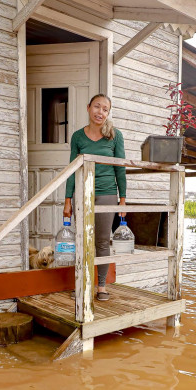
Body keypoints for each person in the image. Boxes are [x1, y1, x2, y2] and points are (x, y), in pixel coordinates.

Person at [63, 94, 126, 302]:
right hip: (83, 194)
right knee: (83, 240)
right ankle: (83, 283)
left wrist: (123, 199)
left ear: (108, 113)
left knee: (102, 241)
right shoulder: (77, 137)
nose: (100, 112)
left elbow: (120, 169)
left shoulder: (115, 136)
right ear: (88, 107)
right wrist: (68, 200)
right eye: (97, 107)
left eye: (105, 109)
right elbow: (72, 169)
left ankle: (101, 286)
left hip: (107, 194)